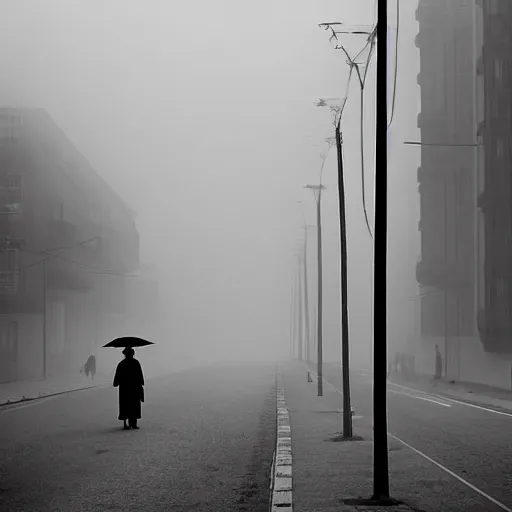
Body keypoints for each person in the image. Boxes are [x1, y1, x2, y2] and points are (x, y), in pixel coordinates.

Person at [113, 347, 145, 430]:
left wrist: (116, 382)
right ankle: (133, 423)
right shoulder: (135, 362)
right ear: (133, 354)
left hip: (124, 388)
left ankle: (125, 423)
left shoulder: (122, 363)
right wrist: (141, 383)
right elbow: (139, 374)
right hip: (134, 387)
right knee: (134, 404)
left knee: (125, 404)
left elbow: (117, 376)